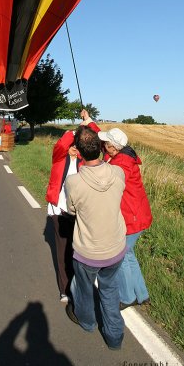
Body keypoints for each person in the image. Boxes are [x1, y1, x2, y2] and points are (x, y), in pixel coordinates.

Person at [64, 126, 126, 350]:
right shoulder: (119, 173)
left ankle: (88, 322)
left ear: (78, 152)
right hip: (116, 247)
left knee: (84, 288)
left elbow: (71, 211)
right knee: (110, 290)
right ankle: (115, 336)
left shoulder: (74, 183)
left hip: (87, 252)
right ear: (101, 148)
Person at [45, 110, 99, 303]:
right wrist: (72, 133)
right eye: (73, 145)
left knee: (78, 252)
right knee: (62, 251)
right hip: (59, 210)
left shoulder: (86, 161)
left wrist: (88, 122)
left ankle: (80, 287)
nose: (75, 148)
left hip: (80, 212)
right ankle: (65, 289)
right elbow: (60, 145)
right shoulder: (60, 157)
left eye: (78, 145)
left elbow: (96, 139)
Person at [98, 127, 152, 308]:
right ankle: (142, 295)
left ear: (113, 147)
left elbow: (106, 184)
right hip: (138, 215)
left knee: (118, 257)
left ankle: (127, 297)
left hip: (131, 218)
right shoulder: (125, 157)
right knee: (128, 255)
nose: (103, 147)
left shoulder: (120, 165)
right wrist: (89, 121)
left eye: (106, 144)